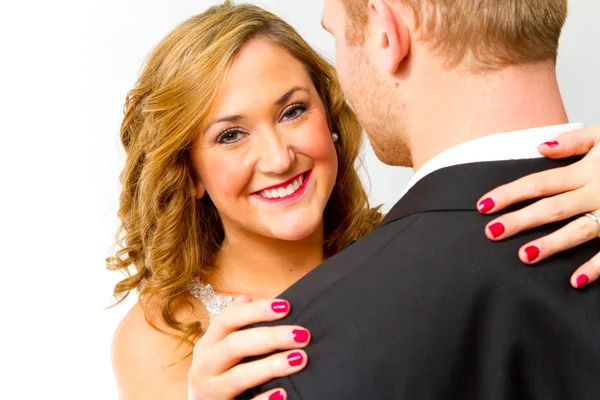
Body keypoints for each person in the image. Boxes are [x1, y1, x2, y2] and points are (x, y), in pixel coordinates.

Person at [108, 2, 600, 399]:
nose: (278, 158)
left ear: (330, 114)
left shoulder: (413, 251)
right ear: (189, 172)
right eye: (232, 135)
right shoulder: (160, 340)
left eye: (293, 111)